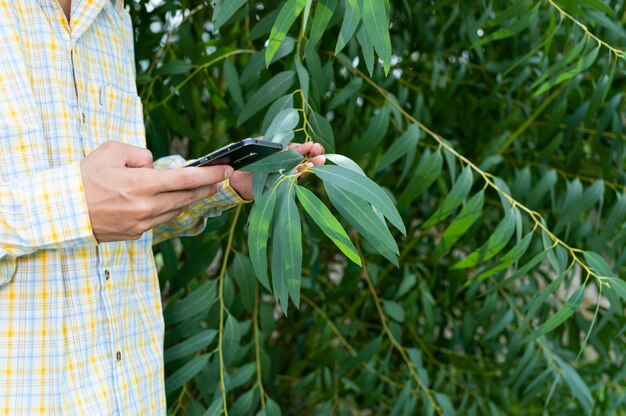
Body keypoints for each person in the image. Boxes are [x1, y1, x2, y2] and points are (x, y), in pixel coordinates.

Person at [0, 0, 325, 414]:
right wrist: (72, 205)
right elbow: (87, 205)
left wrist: (221, 181)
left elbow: (120, 210)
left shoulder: (112, 18)